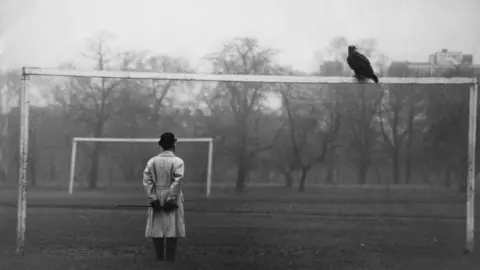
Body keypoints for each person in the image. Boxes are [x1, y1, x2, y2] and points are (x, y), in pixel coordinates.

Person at [142, 132, 185, 262]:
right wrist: (171, 199)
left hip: (157, 194)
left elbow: (147, 181)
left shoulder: (152, 161)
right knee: (172, 227)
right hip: (173, 196)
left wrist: (153, 198)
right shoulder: (178, 161)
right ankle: (169, 259)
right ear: (174, 145)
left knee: (157, 227)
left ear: (161, 145)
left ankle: (159, 258)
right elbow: (178, 180)